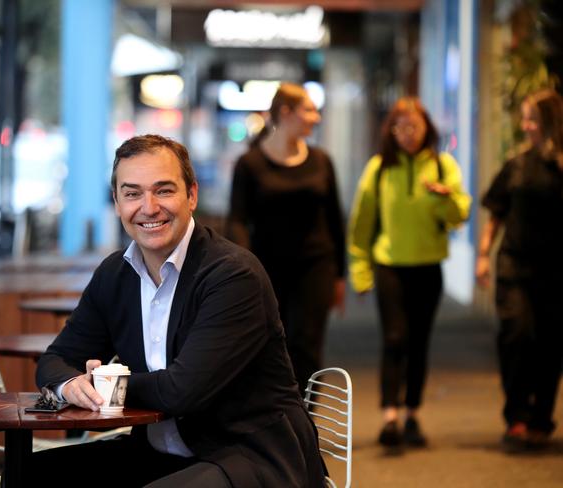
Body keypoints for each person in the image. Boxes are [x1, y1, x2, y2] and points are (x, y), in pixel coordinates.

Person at [27, 135, 326, 487]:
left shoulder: (233, 275)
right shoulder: (114, 275)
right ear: (117, 201)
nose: (149, 207)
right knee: (30, 476)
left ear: (192, 196)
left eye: (164, 190)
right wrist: (71, 385)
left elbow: (183, 391)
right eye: (133, 193)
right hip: (160, 454)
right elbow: (56, 359)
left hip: (249, 455)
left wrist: (107, 384)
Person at [348, 97, 471, 448]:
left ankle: (413, 412)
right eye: (401, 127)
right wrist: (361, 272)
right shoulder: (379, 168)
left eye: (415, 127)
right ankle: (390, 414)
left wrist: (444, 198)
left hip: (428, 266)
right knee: (394, 338)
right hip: (389, 265)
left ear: (427, 128)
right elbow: (361, 224)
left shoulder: (443, 166)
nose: (408, 134)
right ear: (392, 130)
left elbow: (459, 215)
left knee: (418, 343)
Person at [225, 82, 346, 395]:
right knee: (268, 344)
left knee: (308, 345)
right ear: (286, 112)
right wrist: (240, 269)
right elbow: (237, 220)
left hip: (316, 266)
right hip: (266, 268)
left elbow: (335, 219)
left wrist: (340, 276)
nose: (316, 118)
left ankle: (305, 422)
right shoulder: (249, 164)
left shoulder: (321, 160)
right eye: (309, 110)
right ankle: (274, 420)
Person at [476, 88, 563, 450]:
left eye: (533, 119)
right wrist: (483, 254)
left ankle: (541, 416)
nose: (526, 126)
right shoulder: (516, 164)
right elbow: (496, 213)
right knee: (517, 334)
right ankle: (516, 416)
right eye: (524, 118)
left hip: (556, 270)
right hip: (514, 263)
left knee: (550, 343)